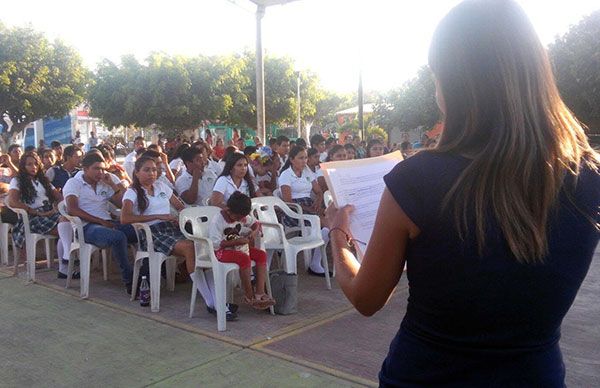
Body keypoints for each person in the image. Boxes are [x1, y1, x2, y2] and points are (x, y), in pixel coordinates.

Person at [325, 1, 600, 386]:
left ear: (453, 83)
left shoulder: (419, 180)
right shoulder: (587, 178)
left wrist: (338, 234)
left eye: (437, 77)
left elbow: (366, 298)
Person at [63, 152, 137, 294]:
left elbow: (122, 205)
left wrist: (112, 185)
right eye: (96, 169)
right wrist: (100, 221)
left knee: (140, 232)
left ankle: (146, 273)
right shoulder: (73, 183)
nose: (101, 172)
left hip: (107, 223)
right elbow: (72, 209)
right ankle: (130, 280)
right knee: (118, 237)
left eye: (103, 169)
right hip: (86, 227)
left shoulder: (104, 183)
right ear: (85, 169)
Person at [120, 157, 194, 298]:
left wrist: (181, 219)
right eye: (146, 170)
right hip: (151, 233)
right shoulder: (132, 192)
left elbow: (180, 207)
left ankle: (189, 277)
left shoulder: (161, 186)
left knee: (200, 242)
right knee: (189, 246)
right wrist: (157, 217)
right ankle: (203, 290)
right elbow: (125, 218)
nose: (151, 173)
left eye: (154, 170)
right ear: (136, 173)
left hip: (169, 228)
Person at [208, 191, 275, 310]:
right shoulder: (218, 220)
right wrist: (236, 242)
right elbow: (216, 244)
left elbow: (255, 224)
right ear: (229, 210)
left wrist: (253, 233)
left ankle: (260, 293)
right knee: (243, 258)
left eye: (242, 217)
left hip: (237, 248)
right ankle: (249, 295)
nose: (240, 219)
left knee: (261, 255)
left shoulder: (242, 217)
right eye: (238, 217)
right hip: (220, 252)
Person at [279, 146, 328, 276]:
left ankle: (315, 261)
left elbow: (318, 191)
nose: (304, 161)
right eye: (301, 158)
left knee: (329, 222)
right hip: (294, 210)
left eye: (305, 157)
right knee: (326, 223)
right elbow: (288, 201)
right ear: (291, 159)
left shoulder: (307, 172)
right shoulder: (286, 175)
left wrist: (318, 200)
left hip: (309, 205)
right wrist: (307, 209)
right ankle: (315, 263)